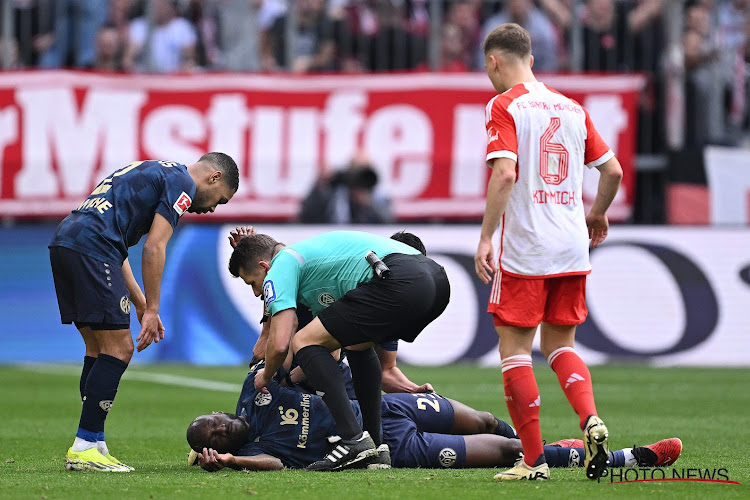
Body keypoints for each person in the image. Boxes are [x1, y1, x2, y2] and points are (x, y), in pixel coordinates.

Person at [474, 24, 624, 482]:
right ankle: (589, 417)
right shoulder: (572, 107)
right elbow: (613, 170)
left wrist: (485, 237)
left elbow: (504, 174)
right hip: (572, 244)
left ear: (494, 62)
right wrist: (596, 214)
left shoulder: (504, 105)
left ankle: (533, 461)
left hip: (528, 246)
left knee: (515, 349)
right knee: (561, 345)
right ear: (532, 60)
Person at [49, 152, 239, 472]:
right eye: (219, 201)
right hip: (94, 248)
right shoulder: (182, 183)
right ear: (214, 177)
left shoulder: (153, 170)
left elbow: (117, 247)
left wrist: (140, 304)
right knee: (120, 348)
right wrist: (153, 309)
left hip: (67, 241)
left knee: (97, 349)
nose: (210, 209)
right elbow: (154, 246)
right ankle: (83, 445)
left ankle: (94, 443)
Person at [185, 359, 683, 472]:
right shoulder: (256, 453)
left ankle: (552, 446)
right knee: (509, 452)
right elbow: (271, 467)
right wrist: (228, 464)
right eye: (218, 434)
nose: (223, 424)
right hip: (392, 448)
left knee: (489, 420)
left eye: (216, 418)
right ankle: (625, 459)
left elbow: (280, 352)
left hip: (384, 407)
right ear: (224, 445)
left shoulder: (255, 393)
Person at [228, 230, 450, 471]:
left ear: (264, 266)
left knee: (303, 342)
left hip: (400, 278)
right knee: (357, 343)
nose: (256, 292)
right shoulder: (317, 273)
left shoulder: (281, 265)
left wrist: (267, 375)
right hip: (437, 282)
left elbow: (281, 342)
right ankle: (375, 446)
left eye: (251, 282)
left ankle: (354, 441)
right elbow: (334, 348)